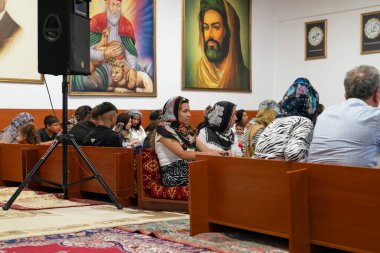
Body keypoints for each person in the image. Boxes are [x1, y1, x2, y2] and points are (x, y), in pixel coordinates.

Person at [72, 0, 152, 92]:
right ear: (107, 4)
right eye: (113, 4)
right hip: (101, 65)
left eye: (118, 5)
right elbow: (85, 51)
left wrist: (132, 68)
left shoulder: (126, 24)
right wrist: (104, 54)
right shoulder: (95, 22)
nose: (115, 9)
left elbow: (130, 50)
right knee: (90, 81)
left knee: (142, 74)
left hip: (122, 64)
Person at [308, 65, 380, 168]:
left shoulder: (325, 114)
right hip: (354, 183)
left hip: (316, 182)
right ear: (377, 94)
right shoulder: (375, 117)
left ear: (345, 95)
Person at [153, 96, 220, 186]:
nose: (189, 114)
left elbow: (207, 151)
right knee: (216, 180)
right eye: (185, 111)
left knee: (221, 175)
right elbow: (182, 154)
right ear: (173, 113)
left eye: (189, 111)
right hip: (174, 175)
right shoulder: (163, 131)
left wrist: (223, 154)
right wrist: (211, 155)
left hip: (189, 170)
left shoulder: (184, 131)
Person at [254, 78, 319, 161]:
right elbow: (294, 154)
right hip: (278, 170)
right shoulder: (303, 122)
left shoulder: (275, 121)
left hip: (257, 168)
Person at [191, 0, 249, 90]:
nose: (210, 35)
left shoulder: (244, 76)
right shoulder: (196, 73)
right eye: (206, 28)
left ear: (229, 31)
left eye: (216, 27)